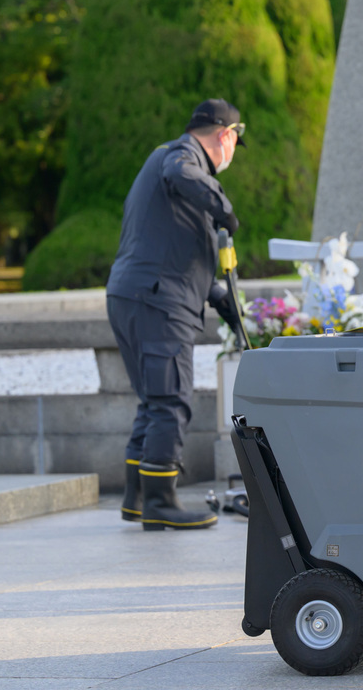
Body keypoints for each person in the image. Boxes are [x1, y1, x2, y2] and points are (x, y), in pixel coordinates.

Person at [106, 99, 245, 531]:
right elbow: (183, 175)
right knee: (171, 400)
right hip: (158, 301)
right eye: (236, 141)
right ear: (225, 135)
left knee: (153, 399)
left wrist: (219, 295)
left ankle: (136, 498)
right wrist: (222, 204)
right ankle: (161, 503)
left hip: (136, 295)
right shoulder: (181, 158)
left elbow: (178, 244)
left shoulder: (168, 167)